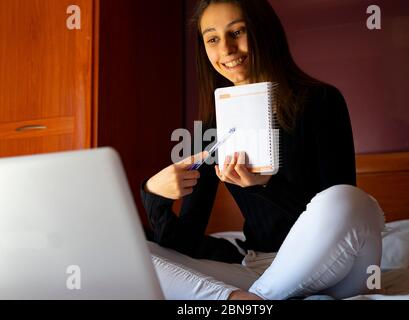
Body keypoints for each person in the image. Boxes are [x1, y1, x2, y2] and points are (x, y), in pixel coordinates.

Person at [141, 0, 385, 300]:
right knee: (139, 256)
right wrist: (154, 194)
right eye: (213, 39)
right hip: (261, 268)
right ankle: (247, 301)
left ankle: (253, 300)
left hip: (338, 267)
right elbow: (185, 245)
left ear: (263, 31)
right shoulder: (210, 130)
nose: (227, 49)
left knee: (351, 200)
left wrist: (267, 185)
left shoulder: (321, 101)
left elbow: (335, 216)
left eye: (237, 32)